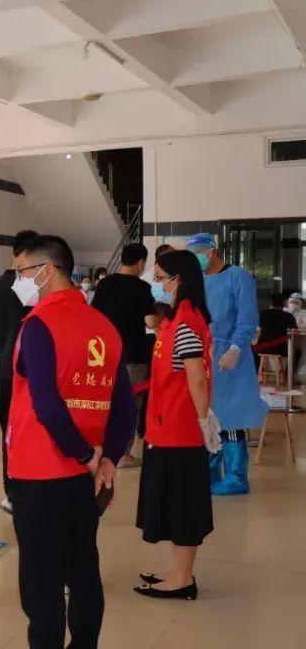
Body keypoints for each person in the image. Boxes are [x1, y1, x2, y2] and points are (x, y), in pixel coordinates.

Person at [7, 234, 135, 649]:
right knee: (83, 570)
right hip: (88, 475)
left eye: (22, 271)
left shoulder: (39, 325)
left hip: (40, 469)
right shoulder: (104, 326)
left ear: (47, 270)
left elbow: (46, 404)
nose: (18, 280)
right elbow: (123, 404)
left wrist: (83, 454)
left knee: (41, 580)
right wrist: (108, 458)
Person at [135, 250, 219, 600]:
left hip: (178, 430)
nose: (157, 283)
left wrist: (203, 420)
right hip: (166, 425)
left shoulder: (186, 321)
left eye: (160, 277)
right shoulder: (178, 317)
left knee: (183, 504)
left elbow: (196, 377)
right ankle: (178, 571)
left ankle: (183, 579)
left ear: (178, 279)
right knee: (172, 501)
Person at [186, 233, 267, 495]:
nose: (195, 260)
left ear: (212, 252)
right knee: (207, 414)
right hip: (203, 355)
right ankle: (209, 474)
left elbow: (247, 318)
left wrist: (235, 348)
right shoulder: (197, 281)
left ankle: (235, 477)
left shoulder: (237, 277)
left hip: (231, 358)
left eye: (197, 254)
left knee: (231, 418)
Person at [0, 229, 39, 515]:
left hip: (4, 370)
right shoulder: (35, 287)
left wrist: (4, 335)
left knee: (9, 434)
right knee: (36, 431)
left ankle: (12, 493)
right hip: (33, 371)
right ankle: (34, 490)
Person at [91, 243, 158, 469]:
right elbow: (151, 321)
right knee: (130, 406)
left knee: (106, 403)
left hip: (105, 353)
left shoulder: (105, 284)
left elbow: (94, 316)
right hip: (133, 353)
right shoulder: (142, 288)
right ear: (140, 263)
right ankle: (123, 454)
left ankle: (103, 450)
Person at [256, 292, 297, 374]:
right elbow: (294, 333)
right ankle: (288, 376)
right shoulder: (289, 316)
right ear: (284, 303)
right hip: (280, 348)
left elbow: (258, 331)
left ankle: (257, 373)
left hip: (263, 347)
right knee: (297, 352)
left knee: (252, 349)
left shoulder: (263, 314)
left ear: (271, 303)